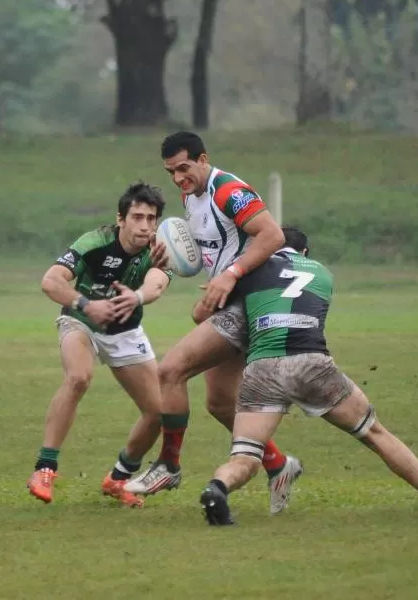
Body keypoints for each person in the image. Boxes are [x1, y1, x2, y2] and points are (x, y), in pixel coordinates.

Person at [199, 227, 418, 524]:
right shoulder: (322, 272)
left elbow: (204, 316)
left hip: (262, 367)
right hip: (312, 364)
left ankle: (217, 489)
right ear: (304, 252)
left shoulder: (248, 272)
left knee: (245, 458)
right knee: (374, 433)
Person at [126, 131, 303, 515]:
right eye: (171, 171)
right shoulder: (190, 195)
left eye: (184, 168)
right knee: (221, 403)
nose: (177, 178)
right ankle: (277, 464)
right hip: (231, 301)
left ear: (203, 158)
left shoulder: (229, 190)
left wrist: (230, 276)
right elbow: (207, 252)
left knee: (171, 370)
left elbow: (271, 235)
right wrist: (169, 256)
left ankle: (169, 465)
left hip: (250, 299)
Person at [27, 182, 173, 507]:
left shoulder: (161, 249)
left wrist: (136, 297)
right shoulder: (96, 242)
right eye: (137, 216)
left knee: (159, 412)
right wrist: (86, 304)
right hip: (82, 321)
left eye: (151, 218)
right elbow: (50, 281)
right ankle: (44, 468)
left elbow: (157, 283)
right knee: (78, 377)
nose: (145, 225)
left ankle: (118, 479)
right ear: (121, 218)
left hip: (125, 331)